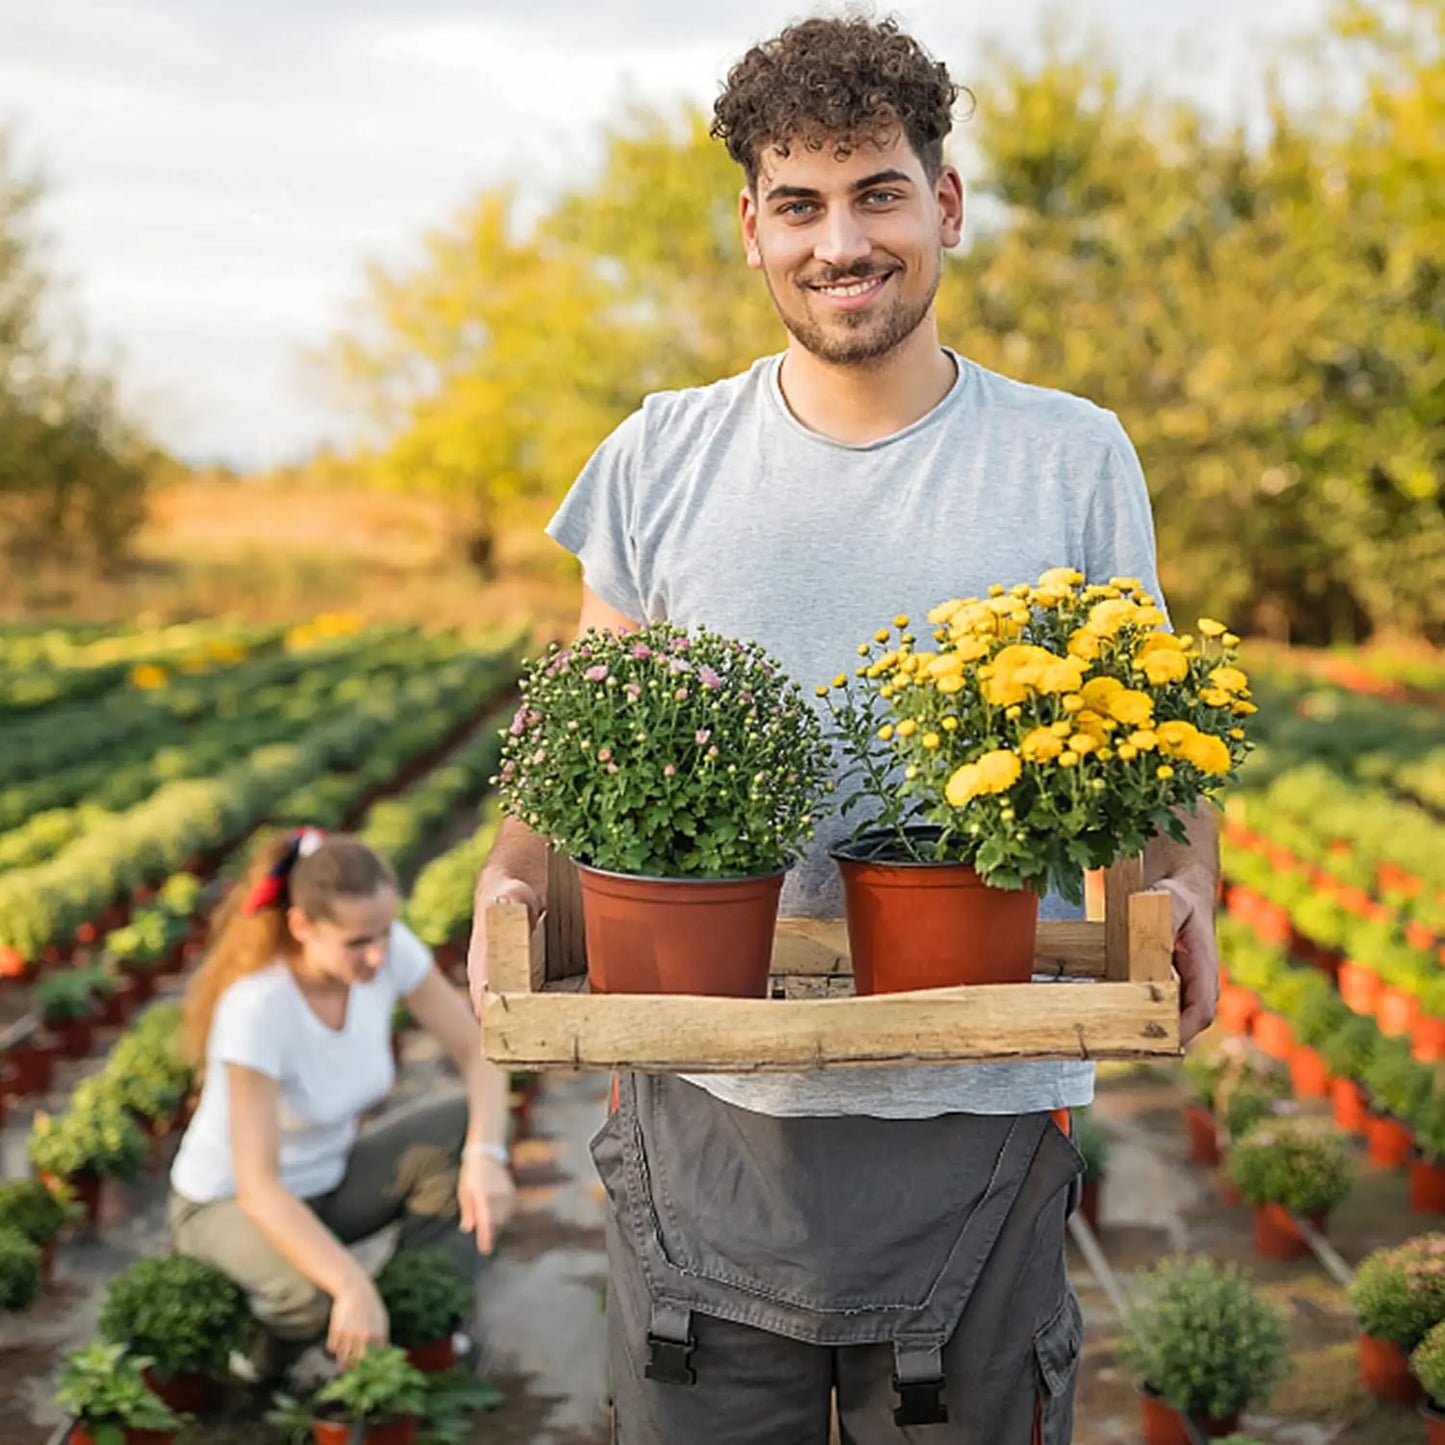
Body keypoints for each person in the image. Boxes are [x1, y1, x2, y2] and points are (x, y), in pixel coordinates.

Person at [469, 16, 1220, 1443]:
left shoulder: (1069, 455)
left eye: (877, 191)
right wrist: (510, 889)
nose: (840, 242)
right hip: (707, 1106)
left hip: (978, 1105)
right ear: (750, 227)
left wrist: (1187, 887)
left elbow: (1160, 735)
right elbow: (585, 730)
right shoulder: (659, 455)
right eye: (799, 204)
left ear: (943, 203)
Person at [170, 827, 515, 1371]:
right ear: (302, 926)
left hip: (329, 1180)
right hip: (228, 1203)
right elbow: (258, 1187)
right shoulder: (258, 1009)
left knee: (463, 1127)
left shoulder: (385, 950)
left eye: (385, 931)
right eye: (358, 942)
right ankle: (257, 1362)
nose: (379, 955)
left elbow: (479, 1049)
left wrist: (485, 1157)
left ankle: (414, 1324)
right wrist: (350, 1280)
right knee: (317, 1300)